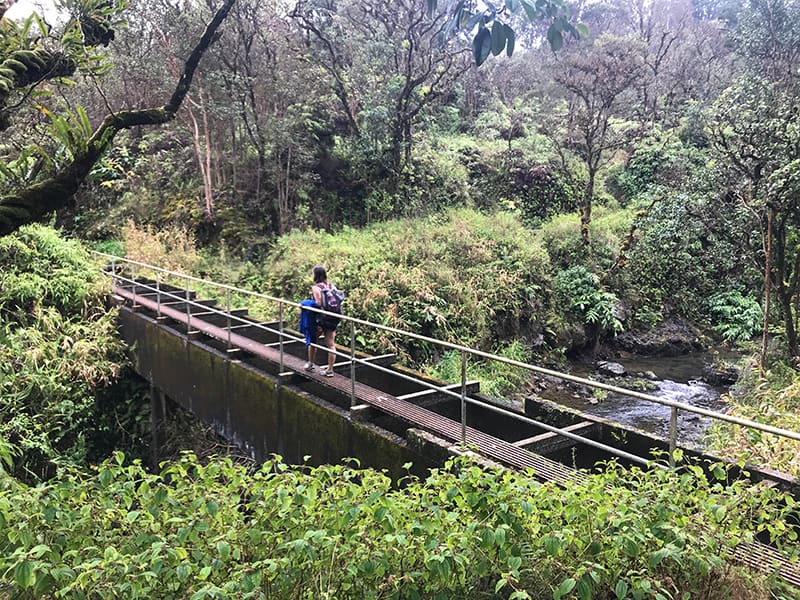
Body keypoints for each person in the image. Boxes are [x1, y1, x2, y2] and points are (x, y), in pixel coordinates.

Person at [304, 265, 338, 377]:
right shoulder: (332, 286)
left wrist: (307, 304)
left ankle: (310, 363)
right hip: (333, 317)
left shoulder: (316, 287)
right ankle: (330, 370)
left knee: (313, 341)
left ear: (315, 275)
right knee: (331, 344)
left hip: (320, 318)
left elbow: (318, 303)